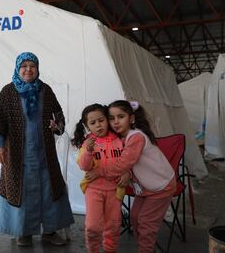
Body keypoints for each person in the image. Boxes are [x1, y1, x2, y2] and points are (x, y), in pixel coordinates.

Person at [0, 52, 74, 247]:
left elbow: (60, 118)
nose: (28, 69)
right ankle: (23, 233)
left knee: (49, 191)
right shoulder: (8, 92)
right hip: (18, 156)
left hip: (45, 155)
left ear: (37, 69)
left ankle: (50, 232)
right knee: (23, 193)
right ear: (18, 69)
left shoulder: (46, 90)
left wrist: (57, 125)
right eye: (24, 66)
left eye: (32, 66)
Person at [99, 100, 176, 253]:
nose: (115, 122)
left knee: (146, 223)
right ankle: (145, 248)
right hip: (145, 187)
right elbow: (128, 164)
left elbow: (124, 162)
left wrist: (100, 172)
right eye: (111, 118)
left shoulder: (136, 137)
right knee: (135, 218)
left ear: (132, 118)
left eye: (120, 117)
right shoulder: (122, 138)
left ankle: (145, 249)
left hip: (160, 186)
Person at [71, 103, 126, 253]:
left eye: (101, 120)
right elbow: (84, 166)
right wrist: (88, 151)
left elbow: (127, 163)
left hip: (115, 191)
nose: (98, 125)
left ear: (107, 120)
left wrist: (128, 174)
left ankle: (110, 250)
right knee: (93, 226)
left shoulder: (120, 141)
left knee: (113, 225)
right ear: (87, 126)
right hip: (94, 189)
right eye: (93, 123)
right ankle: (93, 249)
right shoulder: (88, 143)